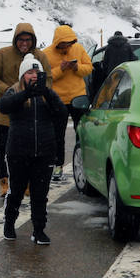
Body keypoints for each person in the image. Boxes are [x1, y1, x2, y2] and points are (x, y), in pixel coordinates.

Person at [0, 55, 65, 245]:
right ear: (22, 76)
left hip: (44, 153)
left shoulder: (47, 94)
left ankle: (39, 230)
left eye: (37, 73)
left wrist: (47, 93)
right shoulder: (14, 92)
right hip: (18, 152)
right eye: (30, 72)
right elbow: (3, 106)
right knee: (16, 191)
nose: (34, 76)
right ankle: (9, 225)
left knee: (40, 194)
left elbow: (62, 113)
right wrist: (26, 94)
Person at [0, 22, 49, 198]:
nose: (24, 43)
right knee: (3, 149)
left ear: (33, 40)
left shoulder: (40, 57)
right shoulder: (3, 54)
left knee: (28, 150)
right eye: (21, 39)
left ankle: (26, 183)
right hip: (6, 111)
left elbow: (48, 79)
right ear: (15, 39)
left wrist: (40, 93)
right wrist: (8, 90)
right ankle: (4, 181)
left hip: (31, 111)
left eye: (28, 39)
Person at [37, 24, 93, 182]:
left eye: (69, 43)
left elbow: (89, 68)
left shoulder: (79, 49)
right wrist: (60, 69)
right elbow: (46, 77)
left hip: (78, 97)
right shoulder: (46, 54)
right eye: (64, 43)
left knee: (81, 132)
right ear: (57, 42)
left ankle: (83, 162)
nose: (67, 46)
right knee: (57, 135)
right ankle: (57, 165)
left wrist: (76, 68)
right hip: (57, 99)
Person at [89, 30, 136, 101]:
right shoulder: (127, 46)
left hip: (112, 73)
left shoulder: (109, 47)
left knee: (112, 91)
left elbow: (105, 62)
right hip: (125, 72)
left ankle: (112, 103)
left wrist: (105, 72)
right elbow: (133, 59)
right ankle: (123, 102)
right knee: (124, 89)